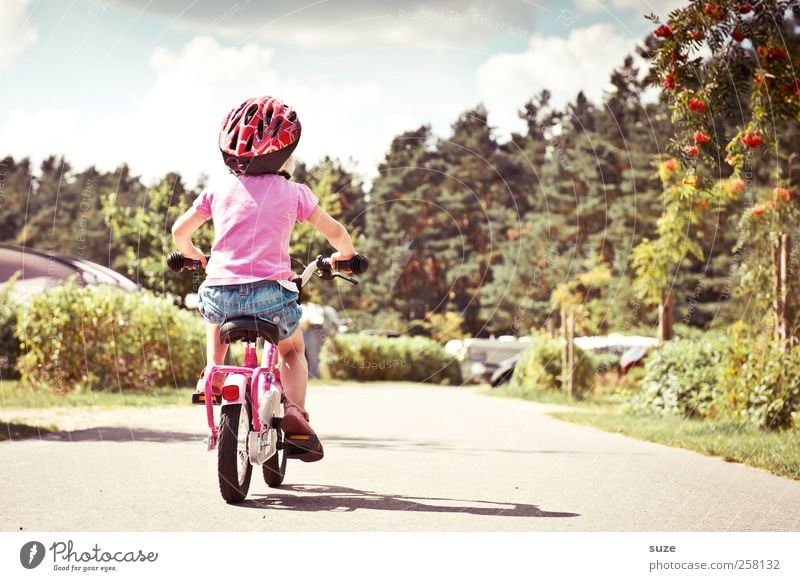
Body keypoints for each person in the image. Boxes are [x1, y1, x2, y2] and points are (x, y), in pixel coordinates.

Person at [171, 95, 356, 462]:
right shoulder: (294, 193)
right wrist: (345, 258)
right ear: (285, 155)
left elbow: (180, 231)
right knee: (292, 349)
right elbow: (336, 233)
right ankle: (296, 412)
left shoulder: (216, 190)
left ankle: (214, 372)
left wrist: (191, 253)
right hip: (272, 295)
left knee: (214, 315)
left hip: (220, 293)